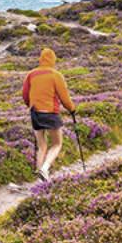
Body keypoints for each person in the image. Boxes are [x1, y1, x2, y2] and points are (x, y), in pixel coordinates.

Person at [21, 47, 75, 181]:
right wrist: (72, 109)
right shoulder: (56, 75)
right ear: (53, 60)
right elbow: (64, 98)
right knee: (57, 144)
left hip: (35, 112)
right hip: (51, 113)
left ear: (40, 59)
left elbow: (25, 95)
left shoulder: (31, 74)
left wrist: (31, 105)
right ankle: (45, 168)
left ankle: (40, 181)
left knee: (41, 146)